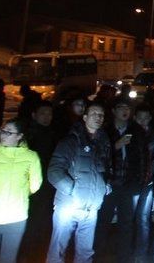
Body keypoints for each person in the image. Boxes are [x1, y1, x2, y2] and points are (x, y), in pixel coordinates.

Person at [46, 100, 112, 263]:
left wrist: (105, 185)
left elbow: (106, 169)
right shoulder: (70, 141)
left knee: (85, 252)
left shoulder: (104, 142)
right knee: (57, 250)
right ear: (84, 117)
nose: (98, 117)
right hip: (69, 205)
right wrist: (73, 190)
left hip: (91, 207)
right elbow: (54, 171)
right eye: (94, 113)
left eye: (101, 115)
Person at [0, 117, 43, 263]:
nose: (3, 135)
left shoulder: (31, 157)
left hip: (16, 217)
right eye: (2, 131)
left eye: (9, 132)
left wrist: (20, 194)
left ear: (20, 136)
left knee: (9, 259)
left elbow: (35, 184)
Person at [96, 96, 145, 263]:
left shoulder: (136, 131)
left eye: (127, 108)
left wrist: (140, 180)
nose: (125, 111)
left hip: (129, 183)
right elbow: (99, 157)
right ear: (114, 111)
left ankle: (124, 257)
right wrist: (116, 145)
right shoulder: (106, 131)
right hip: (110, 183)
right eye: (121, 107)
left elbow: (142, 157)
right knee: (103, 221)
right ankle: (97, 255)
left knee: (126, 223)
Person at [20, 100, 58, 263]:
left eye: (49, 114)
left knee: (44, 221)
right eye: (43, 113)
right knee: (31, 222)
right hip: (30, 186)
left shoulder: (54, 133)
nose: (46, 117)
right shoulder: (27, 135)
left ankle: (39, 254)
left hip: (48, 185)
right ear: (34, 115)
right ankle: (27, 255)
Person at [133, 102, 154, 263]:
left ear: (149, 118)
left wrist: (153, 176)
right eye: (140, 118)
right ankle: (130, 249)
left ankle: (141, 254)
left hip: (147, 181)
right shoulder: (131, 133)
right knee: (130, 218)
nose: (143, 121)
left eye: (145, 118)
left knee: (143, 218)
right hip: (132, 182)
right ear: (135, 118)